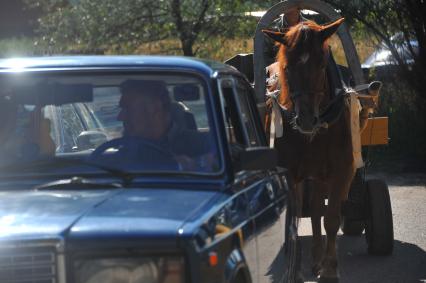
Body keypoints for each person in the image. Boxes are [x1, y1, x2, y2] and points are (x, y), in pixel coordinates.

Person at [95, 79, 215, 171]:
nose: (120, 117)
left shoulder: (201, 144)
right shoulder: (124, 153)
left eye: (128, 109)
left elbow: (230, 156)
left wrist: (195, 163)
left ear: (155, 108)